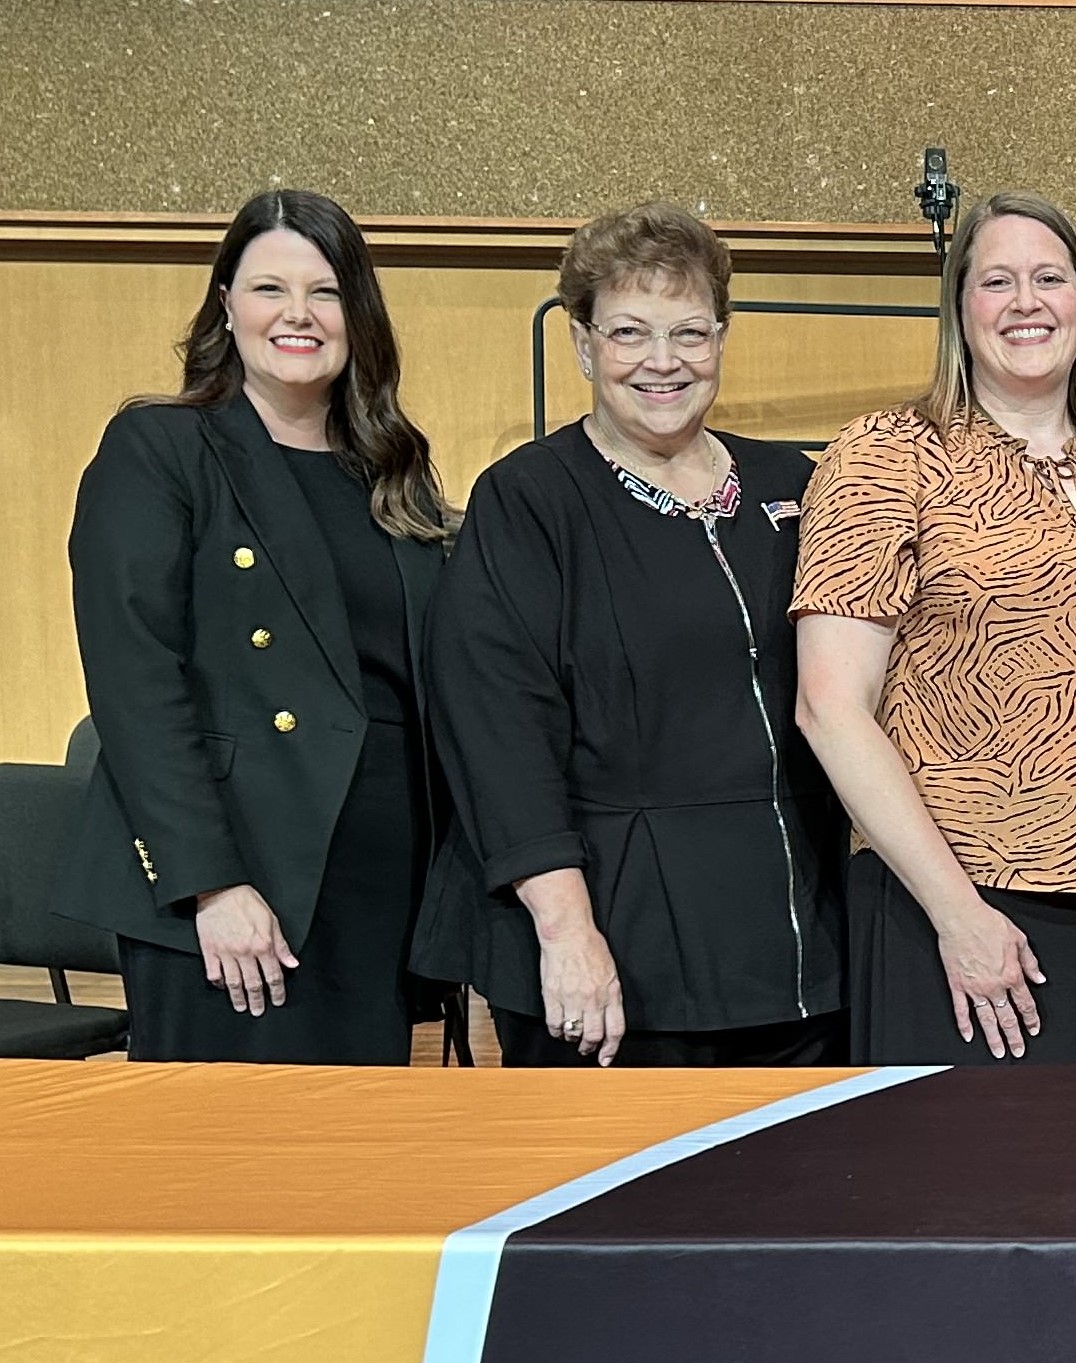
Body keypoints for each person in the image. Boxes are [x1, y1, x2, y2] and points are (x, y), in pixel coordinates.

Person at [794, 191, 1076, 1063]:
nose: (1026, 302)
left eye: (1049, 278)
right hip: (954, 912)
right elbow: (828, 708)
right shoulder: (887, 453)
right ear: (959, 309)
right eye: (996, 281)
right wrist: (959, 916)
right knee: (957, 1193)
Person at [417, 203, 846, 1068]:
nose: (664, 361)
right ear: (582, 345)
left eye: (690, 332)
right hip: (610, 933)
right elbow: (498, 734)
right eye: (629, 333)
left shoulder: (796, 485)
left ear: (722, 338)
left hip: (798, 935)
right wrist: (567, 930)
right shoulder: (529, 500)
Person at [58, 190, 454, 1063]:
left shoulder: (392, 471)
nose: (298, 315)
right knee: (231, 1170)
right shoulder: (164, 447)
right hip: (242, 877)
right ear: (226, 304)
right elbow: (135, 682)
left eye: (325, 291)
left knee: (361, 1169)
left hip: (380, 875)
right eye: (269, 288)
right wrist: (210, 885)